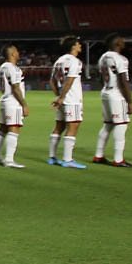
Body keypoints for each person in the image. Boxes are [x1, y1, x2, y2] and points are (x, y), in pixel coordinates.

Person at [92, 33, 132, 167]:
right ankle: (118, 159)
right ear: (117, 43)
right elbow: (123, 81)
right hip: (116, 94)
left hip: (105, 92)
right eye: (122, 40)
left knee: (108, 125)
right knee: (121, 125)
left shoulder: (103, 57)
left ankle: (98, 156)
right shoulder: (120, 59)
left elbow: (99, 77)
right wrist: (130, 101)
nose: (124, 41)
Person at [48, 35, 87, 169]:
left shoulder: (59, 61)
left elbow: (52, 81)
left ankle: (52, 157)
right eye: (78, 44)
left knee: (59, 126)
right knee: (73, 126)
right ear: (73, 46)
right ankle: (68, 159)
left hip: (63, 100)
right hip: (72, 99)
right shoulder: (75, 61)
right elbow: (70, 80)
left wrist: (58, 96)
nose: (80, 45)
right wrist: (62, 97)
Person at [0, 43, 28, 168]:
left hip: (4, 100)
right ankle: (9, 160)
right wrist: (24, 104)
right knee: (14, 128)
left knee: (3, 129)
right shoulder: (13, 68)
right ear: (12, 53)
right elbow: (15, 88)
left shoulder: (2, 67)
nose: (18, 53)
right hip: (13, 102)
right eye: (16, 50)